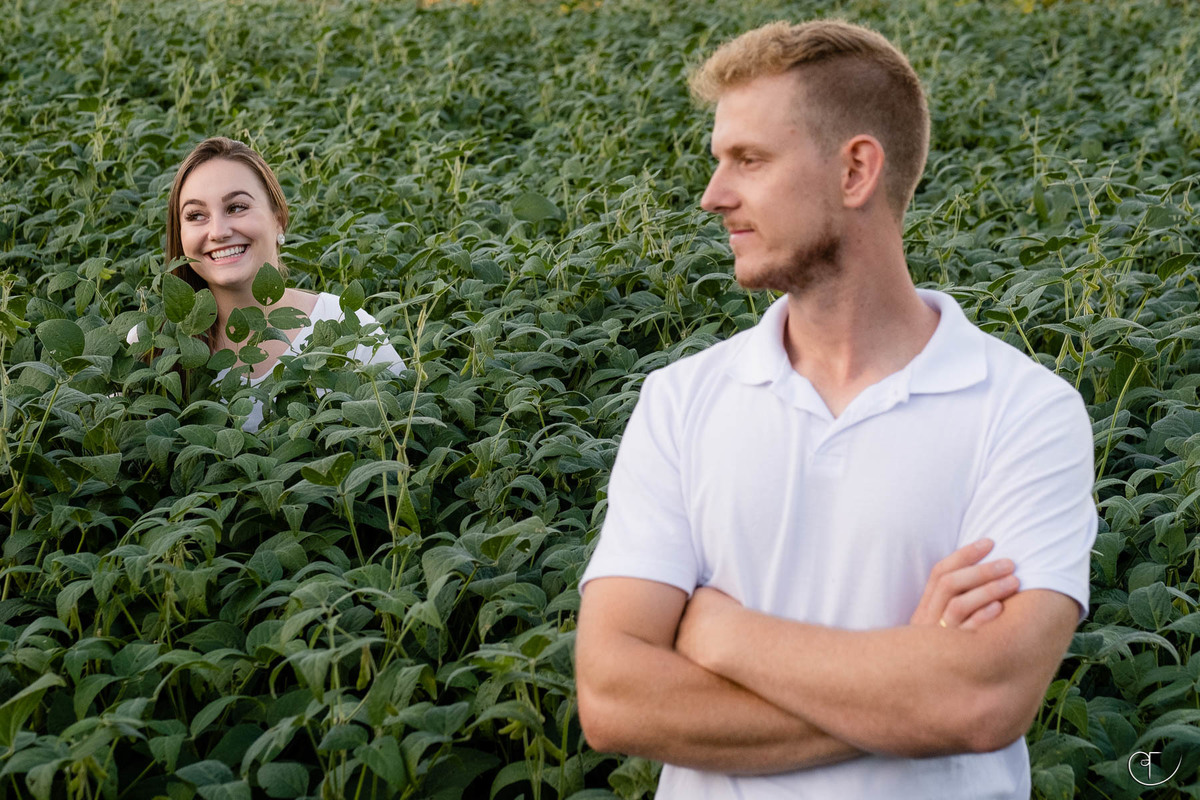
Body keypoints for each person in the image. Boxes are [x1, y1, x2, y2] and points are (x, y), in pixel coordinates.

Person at [575, 19, 1096, 800]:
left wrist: (722, 634)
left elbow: (981, 701)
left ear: (856, 171)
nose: (715, 196)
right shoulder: (680, 400)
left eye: (748, 160)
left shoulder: (1024, 412)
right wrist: (909, 686)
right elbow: (614, 700)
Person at [137, 137, 404, 431]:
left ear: (278, 218)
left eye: (236, 207)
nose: (218, 231)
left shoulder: (352, 332)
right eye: (196, 215)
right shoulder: (151, 344)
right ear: (180, 234)